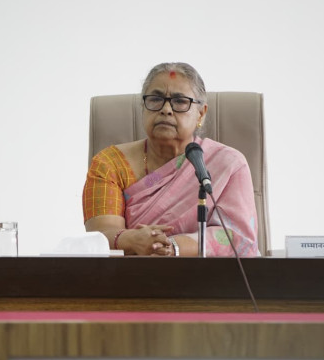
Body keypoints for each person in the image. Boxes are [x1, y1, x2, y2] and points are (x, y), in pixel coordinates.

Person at [82, 62, 259, 257]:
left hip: (207, 274)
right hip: (129, 273)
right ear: (143, 107)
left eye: (180, 101)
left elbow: (236, 238)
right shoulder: (111, 164)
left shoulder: (228, 164)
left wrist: (172, 246)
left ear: (201, 113)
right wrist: (134, 240)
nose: (166, 109)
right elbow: (100, 237)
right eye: (156, 99)